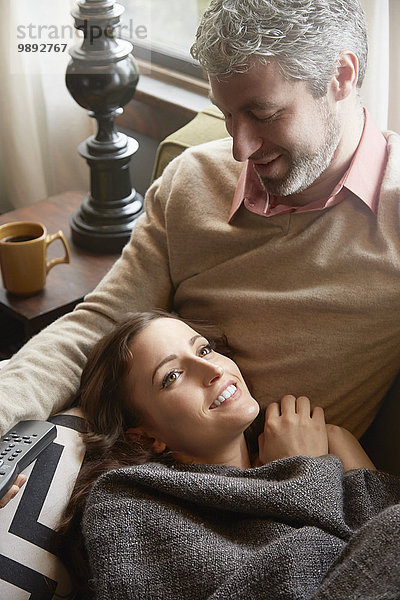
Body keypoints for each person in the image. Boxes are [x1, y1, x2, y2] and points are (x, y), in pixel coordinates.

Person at [0, 0, 399, 499]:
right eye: (227, 116)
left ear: (341, 76)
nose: (240, 148)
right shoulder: (192, 180)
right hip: (143, 468)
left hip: (289, 501)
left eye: (263, 114)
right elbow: (100, 324)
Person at [59, 311, 399, 599]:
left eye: (204, 350)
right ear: (147, 437)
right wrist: (304, 470)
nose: (213, 371)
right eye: (172, 377)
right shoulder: (127, 502)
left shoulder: (332, 444)